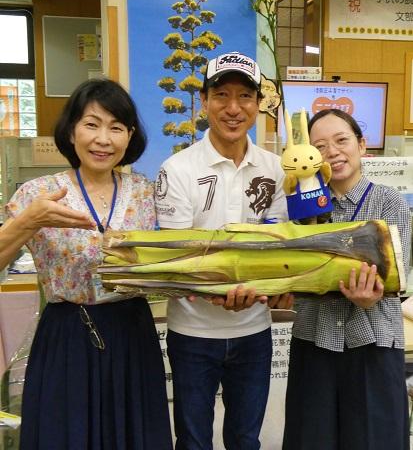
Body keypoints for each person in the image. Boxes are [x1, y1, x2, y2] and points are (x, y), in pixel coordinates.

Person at [4, 79, 173, 450]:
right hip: (67, 335)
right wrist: (27, 221)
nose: (103, 139)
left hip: (132, 333)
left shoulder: (146, 193)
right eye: (92, 124)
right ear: (71, 130)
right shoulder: (38, 194)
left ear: (129, 137)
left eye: (116, 128)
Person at [155, 51, 292, 450]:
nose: (233, 108)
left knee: (246, 439)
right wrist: (223, 288)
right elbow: (180, 259)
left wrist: (276, 285)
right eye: (221, 95)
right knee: (194, 441)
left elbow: (277, 245)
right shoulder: (177, 170)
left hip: (254, 331)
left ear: (257, 105)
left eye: (245, 97)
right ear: (204, 102)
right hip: (193, 332)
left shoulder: (275, 168)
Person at [282, 108, 411, 450]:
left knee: (374, 440)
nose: (332, 152)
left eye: (342, 140)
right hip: (314, 342)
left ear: (361, 144)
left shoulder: (390, 202)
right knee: (312, 439)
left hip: (374, 344)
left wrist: (376, 294)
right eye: (319, 146)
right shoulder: (301, 208)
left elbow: (399, 276)